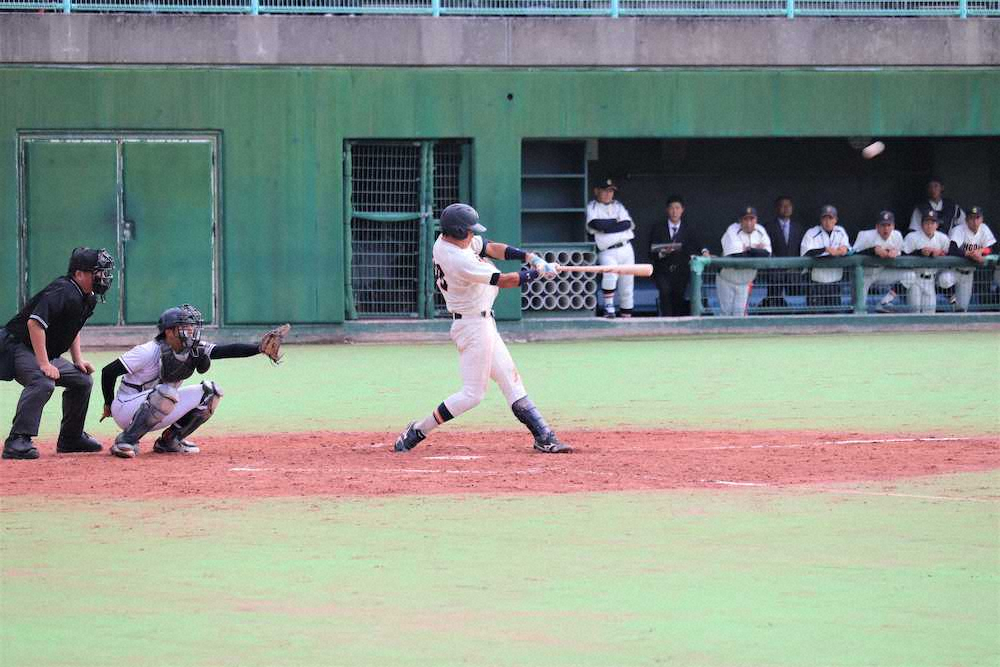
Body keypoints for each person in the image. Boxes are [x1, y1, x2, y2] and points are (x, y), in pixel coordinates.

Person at [394, 203, 571, 454]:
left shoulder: (452, 241)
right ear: (457, 231)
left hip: (483, 322)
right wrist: (535, 274)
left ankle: (544, 437)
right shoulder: (458, 259)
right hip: (473, 325)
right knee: (472, 395)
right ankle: (417, 431)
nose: (473, 235)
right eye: (469, 230)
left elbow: (489, 247)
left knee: (511, 381)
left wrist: (529, 257)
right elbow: (506, 280)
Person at [101, 305, 289, 459]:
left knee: (211, 392)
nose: (191, 330)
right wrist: (109, 404)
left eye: (191, 325)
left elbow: (225, 351)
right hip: (126, 410)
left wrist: (258, 349)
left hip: (162, 403)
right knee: (167, 392)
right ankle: (126, 440)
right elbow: (108, 372)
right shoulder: (147, 351)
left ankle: (170, 441)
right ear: (169, 331)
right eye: (184, 326)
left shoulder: (193, 348)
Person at [1, 247, 114, 460]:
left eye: (104, 272)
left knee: (82, 380)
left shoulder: (87, 296)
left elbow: (73, 327)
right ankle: (17, 441)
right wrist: (44, 364)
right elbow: (34, 324)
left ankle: (70, 439)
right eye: (97, 272)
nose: (103, 277)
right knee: (42, 381)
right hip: (18, 346)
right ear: (79, 274)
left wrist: (77, 359)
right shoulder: (63, 290)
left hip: (40, 351)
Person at [649, 195, 709, 316]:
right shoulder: (658, 228)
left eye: (677, 208)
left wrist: (704, 251)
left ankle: (677, 324)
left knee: (678, 296)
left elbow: (699, 244)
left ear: (682, 210)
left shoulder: (689, 228)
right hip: (663, 270)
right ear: (667, 210)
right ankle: (666, 323)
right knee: (665, 293)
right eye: (671, 208)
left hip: (681, 271)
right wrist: (663, 252)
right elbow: (651, 250)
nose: (674, 211)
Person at [586, 179, 635, 318]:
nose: (608, 194)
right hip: (607, 250)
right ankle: (609, 309)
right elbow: (596, 224)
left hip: (626, 248)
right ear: (597, 191)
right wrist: (615, 222)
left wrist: (607, 227)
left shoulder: (618, 206)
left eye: (611, 191)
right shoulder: (592, 207)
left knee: (627, 284)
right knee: (610, 277)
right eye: (605, 190)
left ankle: (627, 316)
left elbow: (626, 224)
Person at [717, 206, 772, 317]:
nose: (749, 223)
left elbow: (767, 254)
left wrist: (749, 249)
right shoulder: (732, 229)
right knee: (726, 313)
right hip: (727, 278)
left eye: (752, 219)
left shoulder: (760, 230)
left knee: (739, 315)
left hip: (745, 280)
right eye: (745, 219)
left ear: (756, 220)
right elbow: (737, 256)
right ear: (740, 221)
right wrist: (757, 250)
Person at [852, 210, 905, 313]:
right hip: (864, 276)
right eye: (883, 225)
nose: (886, 228)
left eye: (888, 225)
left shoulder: (897, 236)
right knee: (859, 310)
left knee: (910, 275)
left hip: (882, 273)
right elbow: (852, 253)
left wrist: (897, 252)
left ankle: (884, 303)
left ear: (893, 226)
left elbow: (903, 251)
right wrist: (873, 250)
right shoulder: (865, 235)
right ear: (877, 226)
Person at [800, 205, 851, 312]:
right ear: (821, 220)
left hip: (835, 282)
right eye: (825, 218)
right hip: (816, 282)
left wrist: (844, 249)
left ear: (836, 220)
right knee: (815, 316)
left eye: (830, 218)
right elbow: (806, 253)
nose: (827, 221)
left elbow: (848, 249)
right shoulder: (811, 232)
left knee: (834, 315)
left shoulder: (840, 231)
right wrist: (825, 250)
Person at [946, 206, 996, 312]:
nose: (975, 221)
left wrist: (981, 252)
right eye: (971, 218)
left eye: (977, 218)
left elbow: (991, 248)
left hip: (968, 273)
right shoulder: (959, 230)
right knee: (944, 280)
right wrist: (969, 254)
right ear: (966, 220)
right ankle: (949, 296)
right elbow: (952, 249)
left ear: (982, 219)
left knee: (962, 309)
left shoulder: (984, 229)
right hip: (953, 271)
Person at [760, 196, 806, 309]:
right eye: (782, 206)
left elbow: (802, 249)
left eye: (788, 205)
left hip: (794, 272)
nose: (786, 208)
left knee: (796, 303)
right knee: (774, 300)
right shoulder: (768, 227)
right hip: (775, 273)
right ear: (776, 208)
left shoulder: (798, 227)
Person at [902, 209, 951, 313]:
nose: (929, 225)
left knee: (930, 314)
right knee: (914, 312)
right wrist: (919, 252)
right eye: (927, 222)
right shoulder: (912, 237)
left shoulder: (942, 238)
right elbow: (902, 255)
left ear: (937, 225)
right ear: (922, 224)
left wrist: (940, 253)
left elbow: (952, 254)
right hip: (915, 278)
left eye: (932, 222)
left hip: (931, 279)